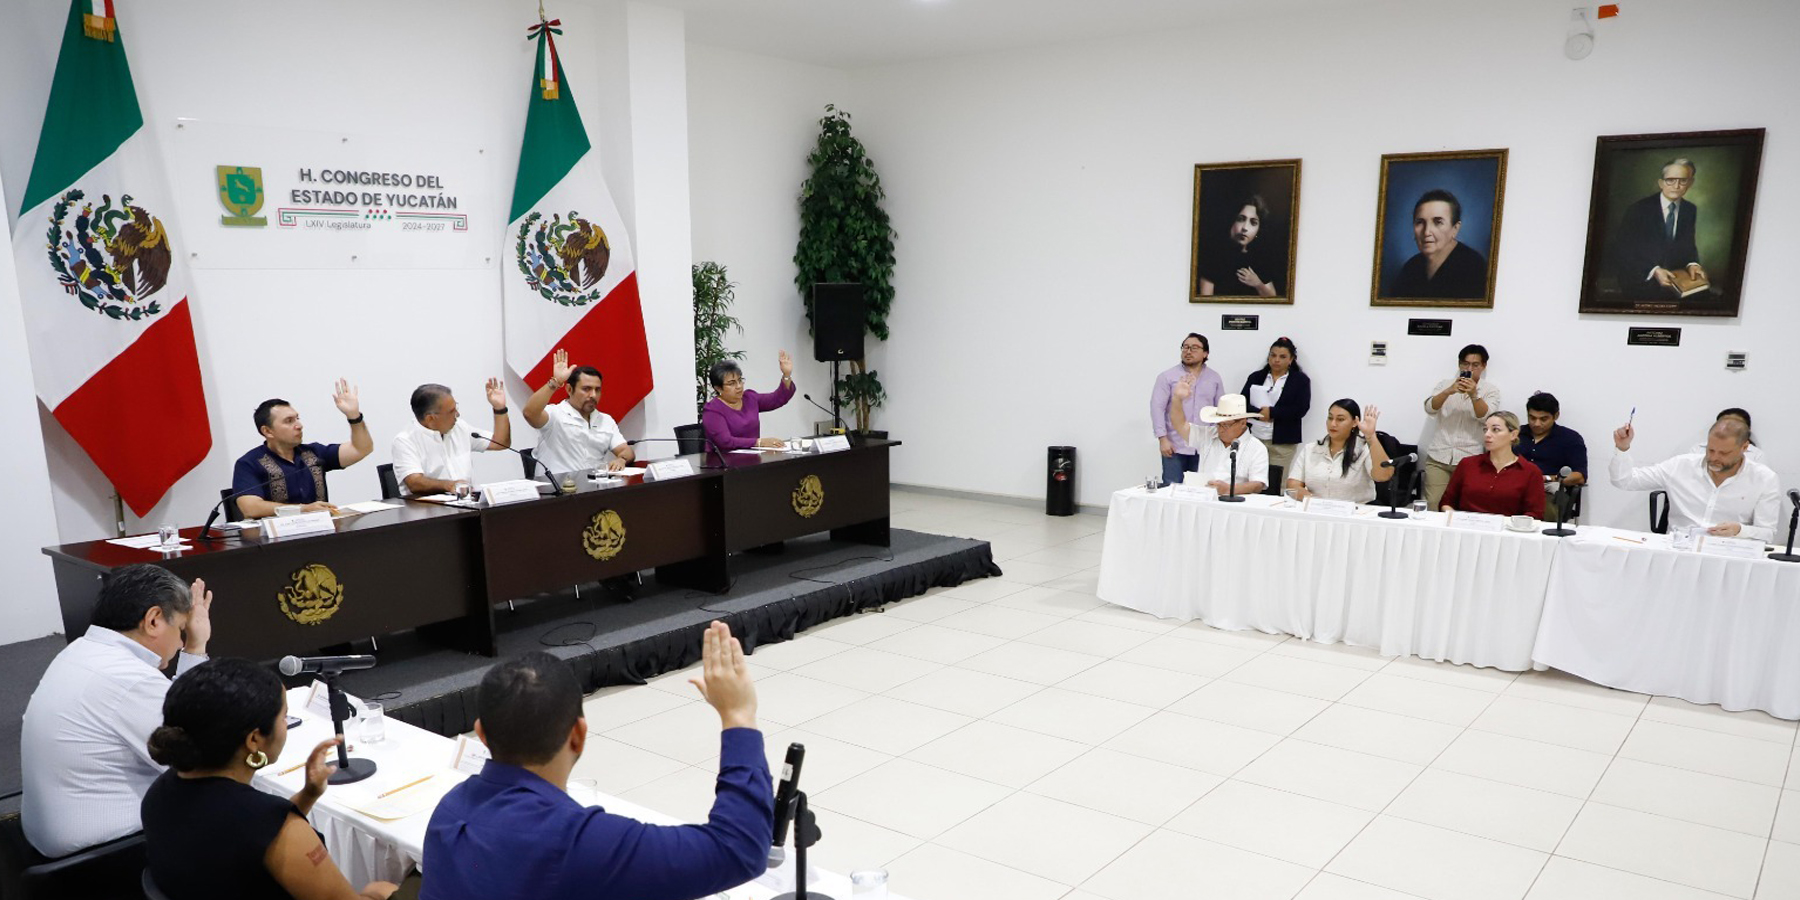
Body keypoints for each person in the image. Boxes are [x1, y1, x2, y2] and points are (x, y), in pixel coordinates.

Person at [421, 622, 771, 900]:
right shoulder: (578, 842)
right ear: (578, 734)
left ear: (481, 734)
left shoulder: (449, 811)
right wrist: (738, 716)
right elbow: (738, 848)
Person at [142, 658, 397, 900]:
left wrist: (308, 794)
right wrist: (376, 893)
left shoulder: (159, 792)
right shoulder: (273, 828)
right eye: (284, 716)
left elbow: (253, 832)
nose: (285, 724)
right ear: (254, 740)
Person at [20, 565, 212, 858]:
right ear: (154, 620)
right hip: (104, 854)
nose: (181, 642)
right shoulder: (129, 679)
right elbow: (199, 760)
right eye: (182, 629)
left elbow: (182, 713)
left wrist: (196, 646)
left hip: (46, 836)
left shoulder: (81, 651)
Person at [1610, 415, 1782, 541]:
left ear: (1745, 448)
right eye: (1711, 450)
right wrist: (1622, 449)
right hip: (1678, 551)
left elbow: (1767, 533)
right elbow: (1624, 481)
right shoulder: (1680, 466)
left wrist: (1740, 530)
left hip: (1728, 554)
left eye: (1724, 453)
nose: (1714, 458)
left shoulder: (1764, 479)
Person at [231, 379, 373, 518]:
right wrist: (303, 509)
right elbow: (250, 508)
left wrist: (354, 416)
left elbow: (361, 449)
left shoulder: (313, 454)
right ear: (268, 431)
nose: (299, 425)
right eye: (289, 421)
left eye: (297, 418)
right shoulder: (249, 463)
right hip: (278, 532)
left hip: (322, 529)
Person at [522, 348, 635, 474]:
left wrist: (621, 459)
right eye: (586, 389)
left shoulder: (606, 420)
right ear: (569, 390)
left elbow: (625, 450)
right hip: (558, 484)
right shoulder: (555, 414)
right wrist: (555, 382)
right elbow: (529, 413)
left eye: (597, 390)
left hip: (594, 483)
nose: (593, 395)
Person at [391, 380, 511, 496]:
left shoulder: (460, 427)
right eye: (452, 411)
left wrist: (499, 408)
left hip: (467, 503)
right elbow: (414, 483)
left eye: (456, 408)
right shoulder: (405, 441)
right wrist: (449, 485)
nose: (457, 415)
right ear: (430, 418)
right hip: (428, 507)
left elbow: (500, 443)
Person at [1421, 344, 1502, 509]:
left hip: (1470, 458)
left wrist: (1474, 395)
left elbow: (1486, 417)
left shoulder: (1490, 390)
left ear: (1483, 366)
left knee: (1466, 506)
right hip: (1439, 455)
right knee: (1434, 504)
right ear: (1459, 365)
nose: (1469, 369)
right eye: (1465, 364)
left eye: (1475, 365)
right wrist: (1448, 392)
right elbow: (1430, 408)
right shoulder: (1445, 384)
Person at [1613, 158, 1704, 300]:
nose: (1676, 186)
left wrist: (1692, 264)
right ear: (1661, 183)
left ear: (1690, 183)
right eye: (1670, 180)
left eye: (1683, 180)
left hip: (1675, 280)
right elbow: (1624, 249)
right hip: (1641, 278)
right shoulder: (1639, 209)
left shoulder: (1689, 209)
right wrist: (1654, 270)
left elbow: (1688, 244)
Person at [1150, 333, 1225, 486]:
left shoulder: (1214, 378)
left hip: (1205, 446)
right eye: (1185, 347)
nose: (1188, 351)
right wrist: (1162, 439)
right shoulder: (1167, 376)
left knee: (1201, 488)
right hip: (1174, 444)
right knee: (1172, 488)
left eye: (1194, 348)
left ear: (1205, 353)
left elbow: (1220, 410)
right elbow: (1157, 408)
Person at [1168, 385, 1269, 496]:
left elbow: (1258, 484)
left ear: (1243, 423)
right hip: (1202, 496)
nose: (1221, 429)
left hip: (1236, 500)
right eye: (1219, 424)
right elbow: (1180, 425)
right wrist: (1177, 399)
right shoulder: (1209, 434)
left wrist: (1229, 489)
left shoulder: (1256, 448)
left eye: (1226, 425)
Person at [1441, 412, 1546, 518]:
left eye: (1495, 430)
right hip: (1466, 524)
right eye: (1485, 429)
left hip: (1508, 527)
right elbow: (1446, 502)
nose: (1487, 434)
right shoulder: (1467, 464)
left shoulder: (1530, 472)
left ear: (1513, 435)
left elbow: (1535, 513)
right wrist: (1456, 518)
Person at [1285, 400, 1392, 504]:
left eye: (1340, 419)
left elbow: (1383, 476)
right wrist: (1316, 503)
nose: (1333, 424)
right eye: (1330, 418)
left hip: (1357, 510)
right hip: (1317, 510)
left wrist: (1371, 437)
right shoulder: (1311, 449)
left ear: (1354, 422)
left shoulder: (1364, 449)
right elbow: (1293, 485)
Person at [1388, 189, 1488, 299]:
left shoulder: (1474, 267)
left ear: (1455, 228)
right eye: (1420, 222)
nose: (1426, 232)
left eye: (1438, 222)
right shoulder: (1411, 267)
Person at [1238, 337, 1312, 477]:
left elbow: (1301, 409)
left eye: (1282, 357)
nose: (1276, 360)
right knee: (1251, 479)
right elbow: (1241, 403)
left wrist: (1272, 413)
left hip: (1283, 443)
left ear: (1291, 359)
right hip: (1254, 437)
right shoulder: (1256, 377)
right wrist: (1259, 413)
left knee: (1277, 482)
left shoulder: (1300, 380)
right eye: (1273, 355)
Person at [702, 352, 795, 452]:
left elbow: (777, 399)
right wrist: (759, 442)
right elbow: (725, 442)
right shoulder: (713, 410)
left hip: (753, 457)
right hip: (723, 459)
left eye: (740, 380)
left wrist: (786, 375)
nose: (739, 386)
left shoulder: (749, 398)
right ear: (718, 388)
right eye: (731, 383)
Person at [1517, 392, 1589, 521]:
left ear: (1556, 416)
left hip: (1549, 489)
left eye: (1543, 419)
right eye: (1532, 418)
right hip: (1516, 485)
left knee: (1543, 508)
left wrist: (1548, 478)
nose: (1537, 423)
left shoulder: (1570, 439)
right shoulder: (1516, 435)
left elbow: (1580, 476)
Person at [1197, 195, 1281, 298]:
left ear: (1258, 230)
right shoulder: (1213, 257)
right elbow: (1206, 300)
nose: (1245, 228)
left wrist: (1258, 284)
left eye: (1253, 223)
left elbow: (1273, 298)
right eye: (1240, 219)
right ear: (1231, 221)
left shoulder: (1260, 260)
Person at [1689, 408, 1764, 464]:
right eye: (1711, 451)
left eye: (1725, 453)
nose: (1727, 427)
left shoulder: (1756, 455)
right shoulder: (1697, 449)